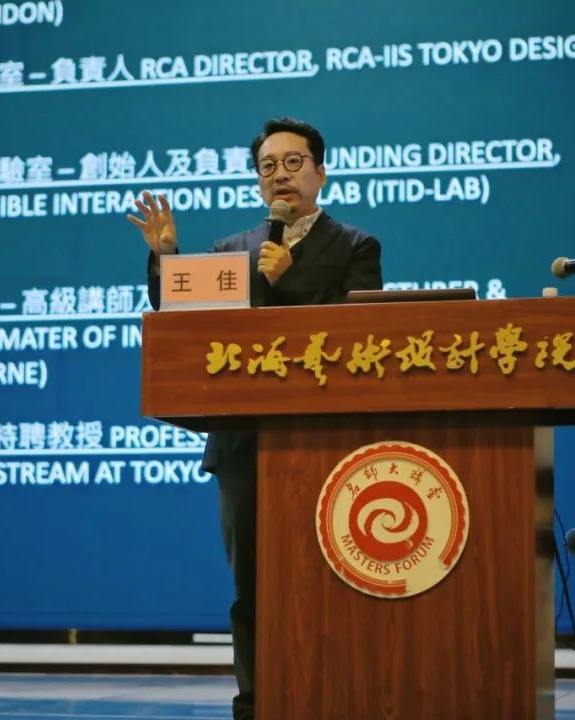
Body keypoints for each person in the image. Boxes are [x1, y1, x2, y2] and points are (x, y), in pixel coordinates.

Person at [127, 117, 382, 720]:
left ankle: (335, 699)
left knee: (333, 580)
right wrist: (166, 260)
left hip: (325, 442)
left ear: (320, 172)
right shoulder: (229, 251)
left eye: (293, 163)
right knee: (255, 587)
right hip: (242, 443)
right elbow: (186, 321)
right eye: (268, 166)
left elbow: (360, 337)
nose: (280, 175)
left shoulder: (356, 246)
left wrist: (288, 283)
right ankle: (256, 705)